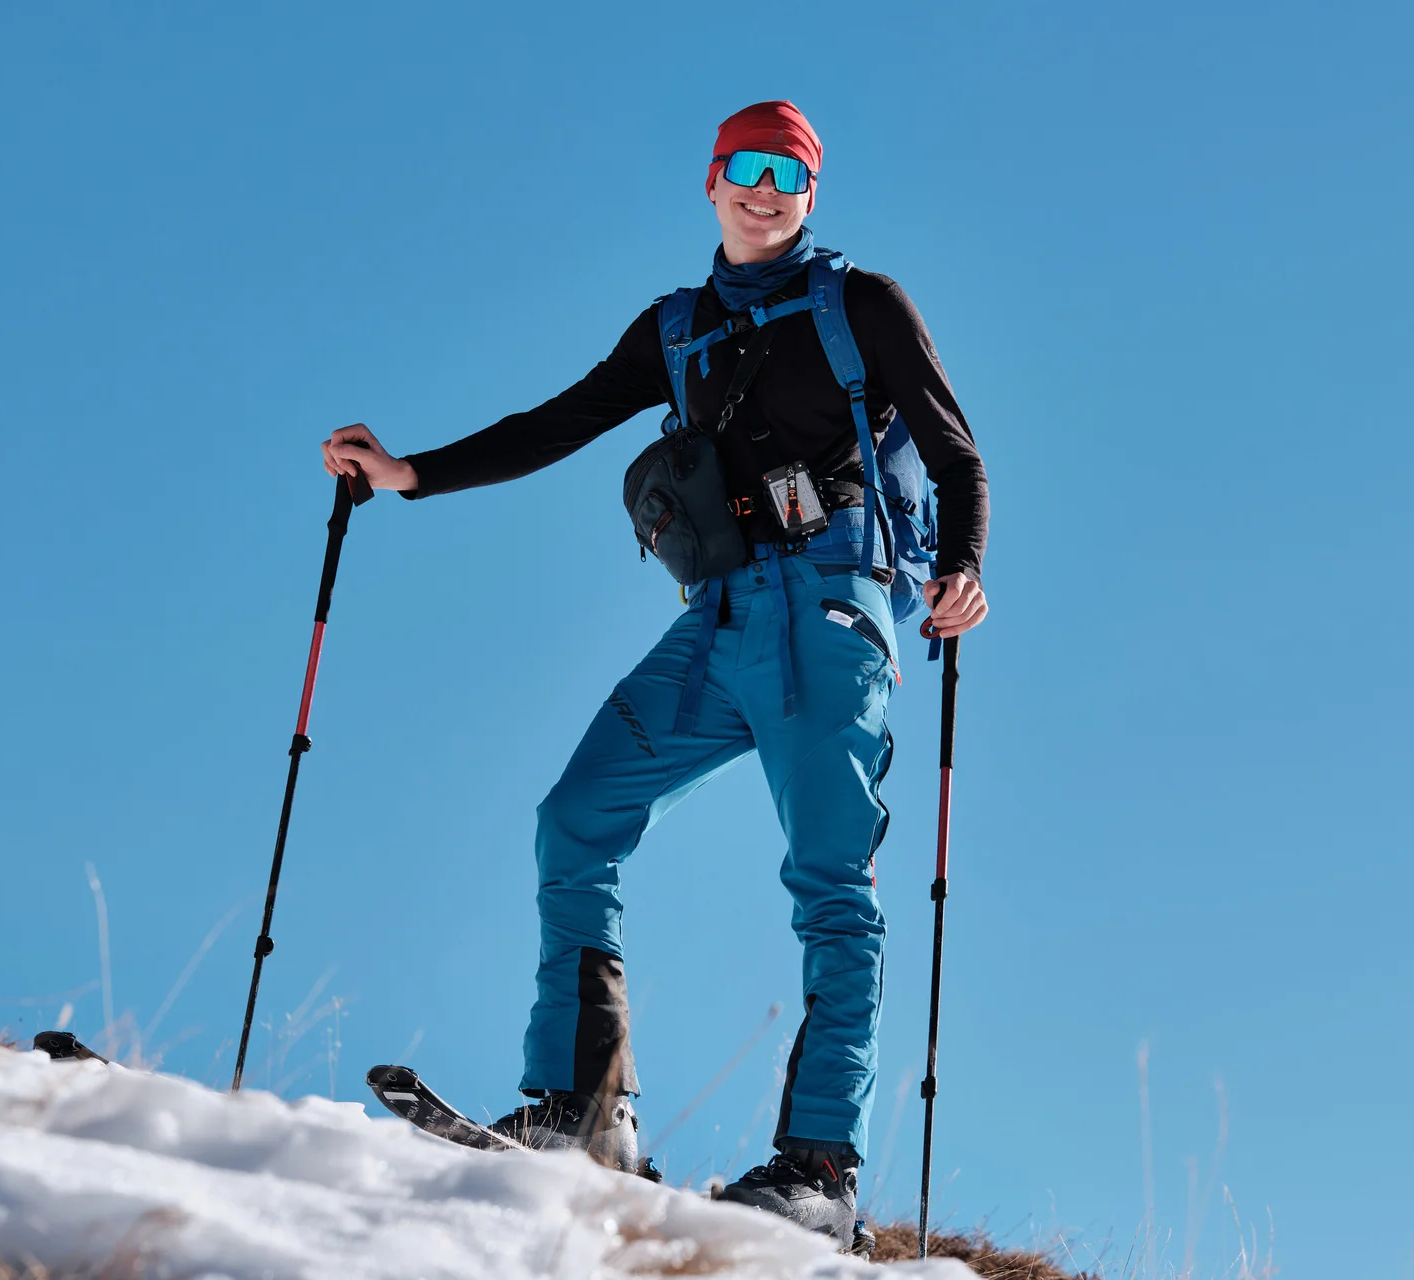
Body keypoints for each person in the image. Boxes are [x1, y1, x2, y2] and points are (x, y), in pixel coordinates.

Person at [321, 100, 989, 1242]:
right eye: (747, 167)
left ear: (812, 193)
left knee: (834, 885)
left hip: (832, 614)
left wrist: (963, 566)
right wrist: (410, 473)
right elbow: (561, 420)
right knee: (576, 818)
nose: (766, 190)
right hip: (715, 623)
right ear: (712, 180)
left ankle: (818, 1171)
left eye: (790, 173)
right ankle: (584, 1109)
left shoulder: (864, 304)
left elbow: (954, 450)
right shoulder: (675, 327)